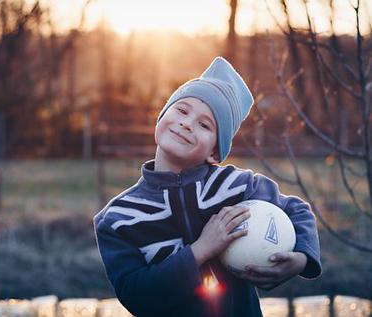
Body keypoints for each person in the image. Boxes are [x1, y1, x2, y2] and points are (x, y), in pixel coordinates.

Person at [93, 57, 322, 317]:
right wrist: (200, 250)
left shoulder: (237, 187)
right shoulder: (118, 219)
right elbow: (137, 296)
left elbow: (297, 210)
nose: (187, 123)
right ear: (160, 118)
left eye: (205, 124)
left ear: (215, 152)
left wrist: (301, 259)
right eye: (181, 110)